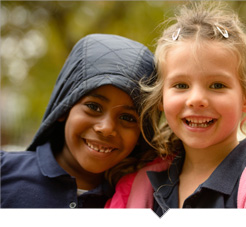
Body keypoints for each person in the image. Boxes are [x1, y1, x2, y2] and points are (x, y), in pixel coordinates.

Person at [105, 2, 246, 215]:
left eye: (217, 85)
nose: (197, 99)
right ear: (161, 97)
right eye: (181, 85)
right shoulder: (134, 188)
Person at [1, 34, 156, 208]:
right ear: (64, 108)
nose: (106, 128)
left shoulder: (142, 200)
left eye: (127, 118)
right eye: (94, 107)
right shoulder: (4, 172)